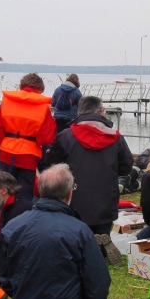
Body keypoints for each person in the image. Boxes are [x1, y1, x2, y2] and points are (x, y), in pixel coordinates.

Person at [0, 164, 110, 299]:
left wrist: (21, 297)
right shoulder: (80, 231)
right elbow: (98, 282)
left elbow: (4, 275)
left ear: (40, 190)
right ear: (69, 193)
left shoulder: (13, 226)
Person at [45, 95, 134, 234]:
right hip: (105, 201)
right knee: (101, 243)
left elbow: (49, 165)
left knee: (73, 243)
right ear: (100, 111)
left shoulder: (66, 136)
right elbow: (126, 166)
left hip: (73, 201)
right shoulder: (115, 137)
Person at [0, 72, 55, 213]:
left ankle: (0, 231)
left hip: (6, 154)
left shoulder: (7, 102)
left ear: (21, 86)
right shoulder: (43, 107)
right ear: (40, 89)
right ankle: (20, 229)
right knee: (23, 199)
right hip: (28, 158)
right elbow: (46, 138)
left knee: (1, 196)